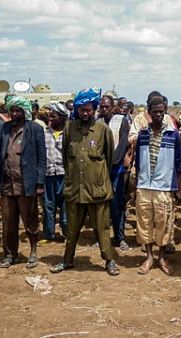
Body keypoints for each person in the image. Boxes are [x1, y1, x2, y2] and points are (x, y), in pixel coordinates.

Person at [50, 88, 120, 276]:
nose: (86, 113)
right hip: (75, 190)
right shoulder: (69, 128)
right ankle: (67, 260)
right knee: (71, 230)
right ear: (77, 110)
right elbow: (66, 158)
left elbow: (109, 158)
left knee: (102, 229)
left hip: (97, 190)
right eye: (82, 110)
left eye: (89, 109)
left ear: (94, 109)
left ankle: (109, 261)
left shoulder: (102, 130)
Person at [0, 96, 46, 269]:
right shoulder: (3, 129)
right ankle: (10, 254)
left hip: (27, 184)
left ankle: (33, 252)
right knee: (8, 222)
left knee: (30, 220)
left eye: (18, 111)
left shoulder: (35, 129)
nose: (14, 114)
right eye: (12, 110)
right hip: (6, 184)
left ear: (25, 112)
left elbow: (41, 159)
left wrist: (39, 183)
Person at [134, 96, 181, 275]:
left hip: (164, 187)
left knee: (164, 224)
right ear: (149, 113)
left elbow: (179, 163)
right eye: (155, 112)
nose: (159, 115)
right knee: (145, 223)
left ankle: (161, 257)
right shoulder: (143, 134)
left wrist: (176, 187)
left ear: (165, 111)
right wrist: (137, 185)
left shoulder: (173, 134)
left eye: (161, 111)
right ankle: (149, 257)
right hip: (144, 186)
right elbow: (138, 162)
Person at [97, 95, 131, 250]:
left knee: (117, 205)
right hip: (99, 170)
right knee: (101, 206)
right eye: (102, 107)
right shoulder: (96, 122)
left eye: (107, 106)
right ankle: (101, 238)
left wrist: (112, 162)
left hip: (116, 170)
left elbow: (123, 143)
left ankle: (119, 238)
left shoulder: (121, 121)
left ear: (113, 107)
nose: (104, 109)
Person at [39, 102, 68, 245]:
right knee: (48, 205)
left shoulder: (68, 133)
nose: (51, 119)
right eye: (50, 116)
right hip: (48, 175)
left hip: (64, 175)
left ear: (62, 117)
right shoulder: (44, 133)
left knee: (65, 206)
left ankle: (67, 233)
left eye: (54, 116)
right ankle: (49, 234)